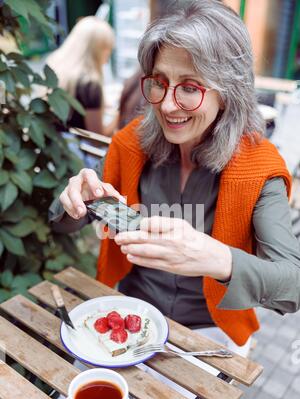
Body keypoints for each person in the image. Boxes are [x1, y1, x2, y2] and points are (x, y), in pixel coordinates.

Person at [50, 0, 300, 358]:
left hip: (210, 333)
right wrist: (72, 204)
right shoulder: (130, 144)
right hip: (132, 311)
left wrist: (218, 258)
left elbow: (292, 287)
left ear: (227, 93)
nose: (167, 105)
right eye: (160, 83)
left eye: (189, 87)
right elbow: (60, 225)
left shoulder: (259, 168)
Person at [47, 16, 118, 136]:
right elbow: (97, 138)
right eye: (108, 50)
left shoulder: (55, 65)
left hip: (54, 143)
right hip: (78, 150)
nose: (107, 58)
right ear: (98, 50)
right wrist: (119, 115)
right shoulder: (90, 84)